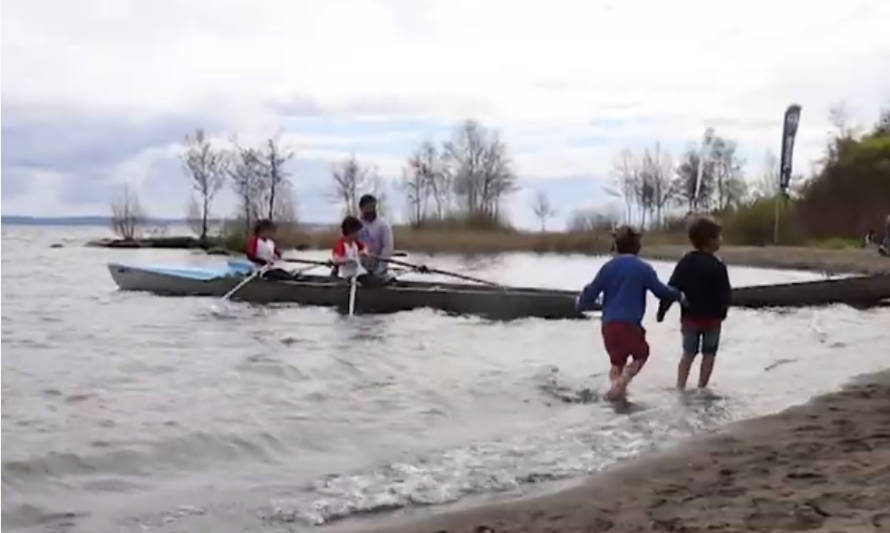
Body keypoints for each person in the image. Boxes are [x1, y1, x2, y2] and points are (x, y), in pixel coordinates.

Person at [576, 226, 682, 400]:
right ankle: (621, 385)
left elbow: (590, 295)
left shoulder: (608, 268)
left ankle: (617, 393)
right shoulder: (643, 268)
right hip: (631, 325)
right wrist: (678, 294)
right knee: (642, 354)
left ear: (615, 246)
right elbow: (661, 291)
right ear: (638, 247)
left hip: (609, 326)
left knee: (617, 362)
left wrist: (580, 302)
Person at [657, 216, 731, 390]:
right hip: (712, 320)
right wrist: (723, 312)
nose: (721, 240)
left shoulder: (685, 262)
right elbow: (725, 293)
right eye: (719, 237)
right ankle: (702, 388)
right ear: (711, 240)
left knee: (688, 353)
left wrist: (662, 311)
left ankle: (680, 387)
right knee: (709, 354)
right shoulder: (718, 266)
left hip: (689, 318)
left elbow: (672, 288)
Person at [357, 194, 394, 280]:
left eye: (372, 207)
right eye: (367, 208)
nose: (371, 210)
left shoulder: (383, 225)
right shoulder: (357, 225)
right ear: (361, 209)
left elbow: (387, 248)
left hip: (378, 270)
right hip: (359, 270)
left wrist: (379, 270)